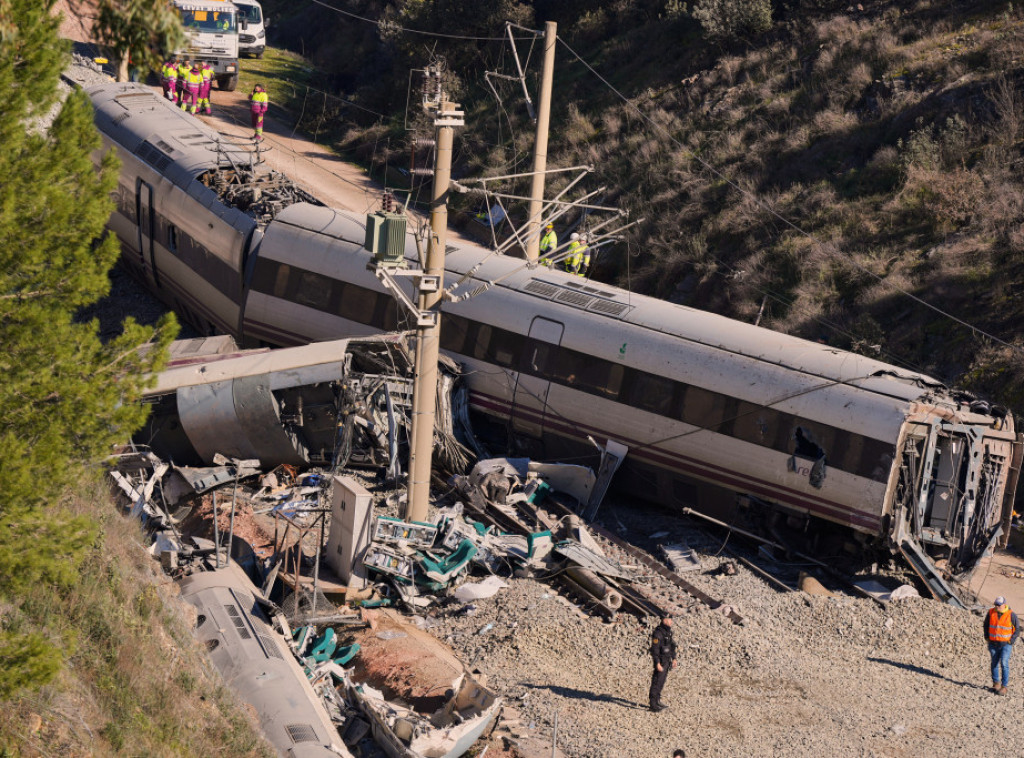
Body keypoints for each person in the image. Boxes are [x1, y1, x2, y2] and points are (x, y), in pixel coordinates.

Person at [985, 596, 1018, 694]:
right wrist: (986, 637)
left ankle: (1004, 686)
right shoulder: (991, 612)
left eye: (999, 605)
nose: (997, 606)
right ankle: (996, 683)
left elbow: (1017, 629)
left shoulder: (1011, 614)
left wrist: (1011, 641)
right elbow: (986, 625)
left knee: (1004, 663)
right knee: (994, 663)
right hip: (993, 643)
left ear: (1004, 604)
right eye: (996, 604)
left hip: (1006, 644)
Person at [649, 614, 676, 712]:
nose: (671, 622)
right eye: (669, 620)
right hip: (660, 661)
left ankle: (657, 700)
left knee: (661, 682)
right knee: (656, 682)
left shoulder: (668, 632)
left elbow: (672, 646)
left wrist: (674, 658)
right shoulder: (658, 633)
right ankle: (652, 704)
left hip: (666, 660)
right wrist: (657, 663)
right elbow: (655, 649)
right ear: (664, 620)